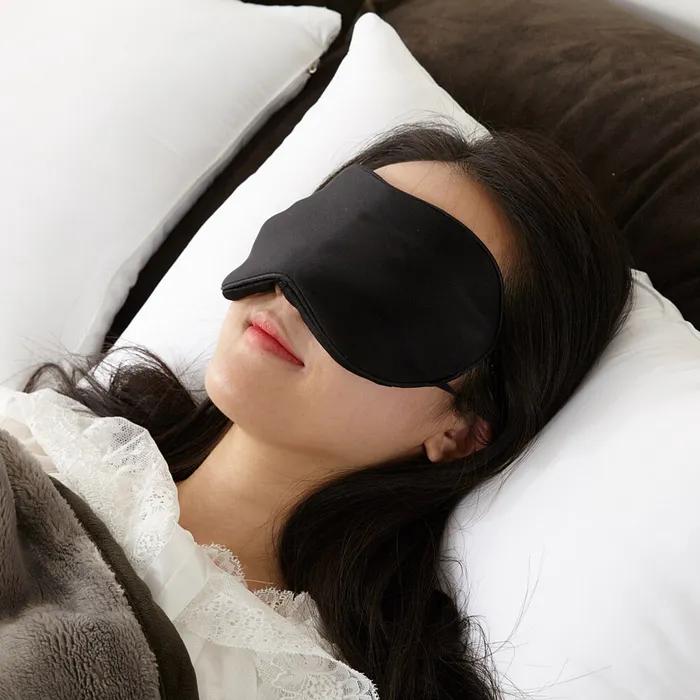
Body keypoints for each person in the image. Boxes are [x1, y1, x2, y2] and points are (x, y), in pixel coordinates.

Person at [1, 118, 634, 700]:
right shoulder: (37, 439)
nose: (293, 291)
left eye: (397, 292)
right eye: (326, 229)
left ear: (464, 430)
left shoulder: (303, 684)